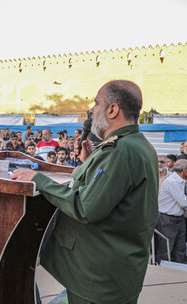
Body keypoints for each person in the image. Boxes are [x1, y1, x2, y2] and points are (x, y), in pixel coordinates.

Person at [12, 80, 158, 303]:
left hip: (98, 281)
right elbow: (111, 192)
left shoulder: (119, 151)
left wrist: (38, 180)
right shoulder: (137, 145)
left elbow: (86, 207)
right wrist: (90, 162)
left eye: (97, 103)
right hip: (116, 274)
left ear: (112, 109)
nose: (91, 110)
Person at [156, 159, 187, 263]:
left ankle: (180, 269)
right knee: (166, 249)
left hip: (179, 219)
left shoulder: (179, 181)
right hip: (168, 220)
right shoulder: (173, 181)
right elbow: (183, 202)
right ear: (184, 170)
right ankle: (162, 273)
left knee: (180, 248)